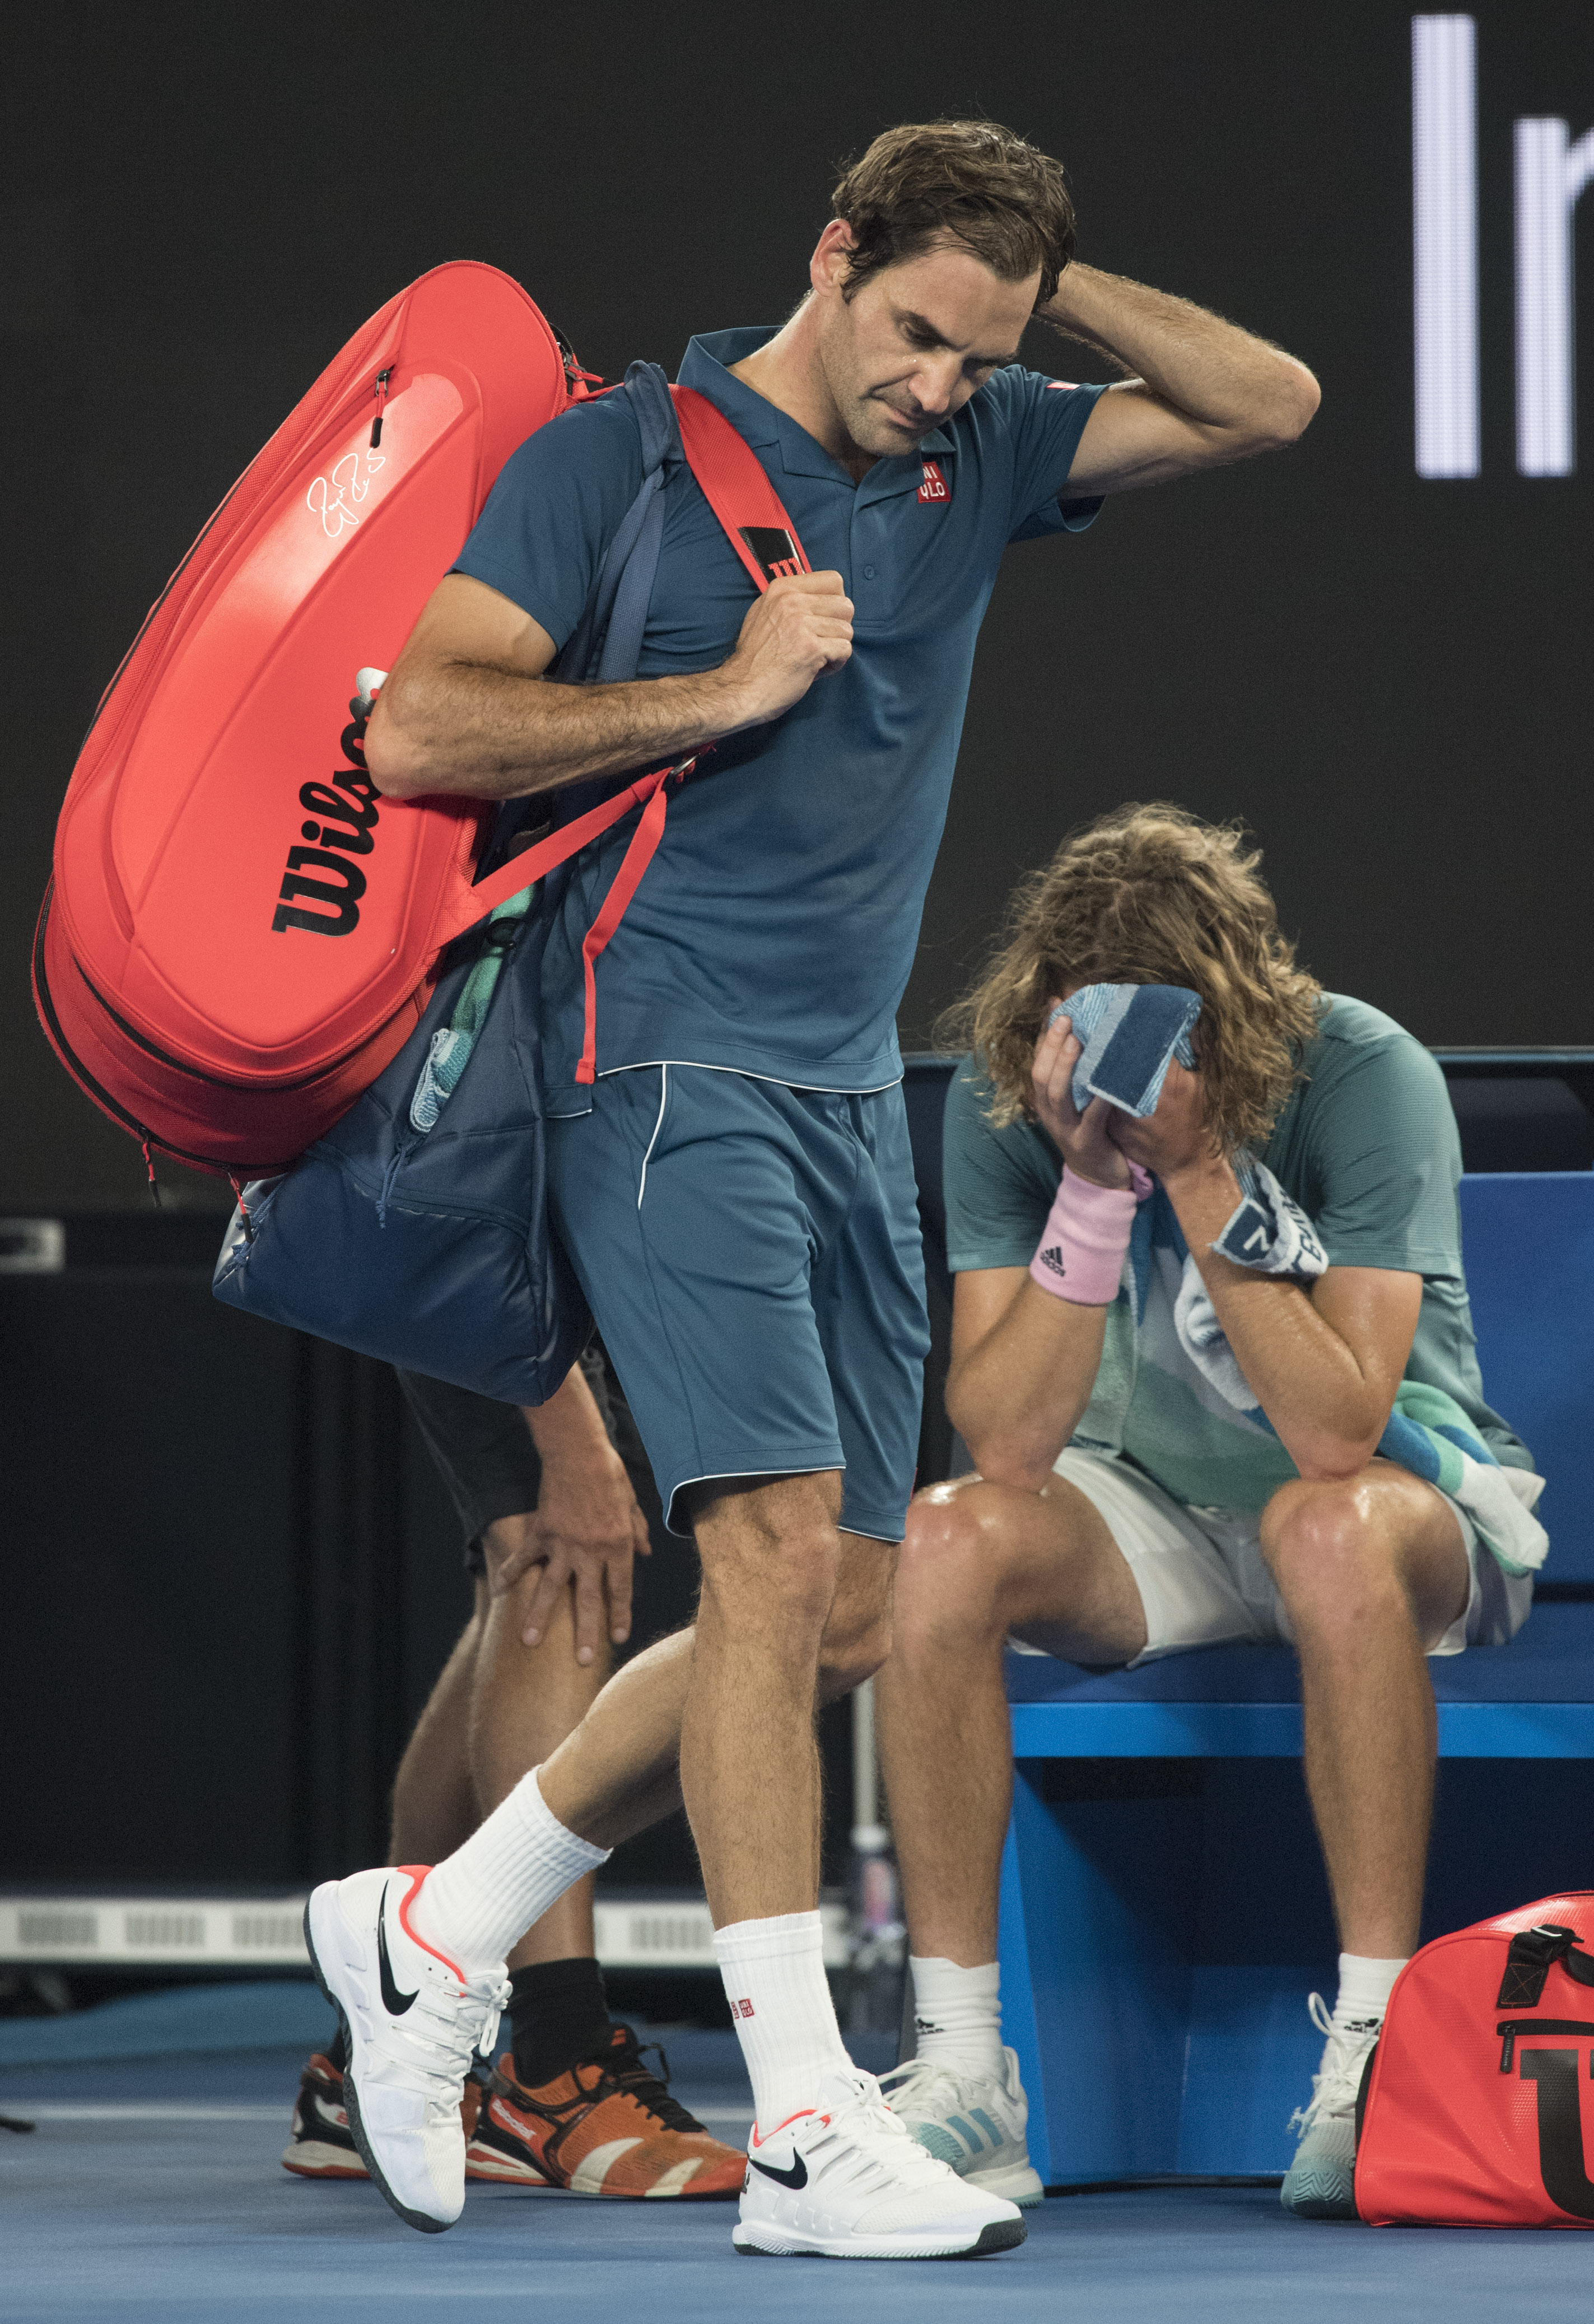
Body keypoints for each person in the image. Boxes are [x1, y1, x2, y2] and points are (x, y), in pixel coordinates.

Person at [309, 119, 1319, 2258]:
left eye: (985, 349)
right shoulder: (619, 460)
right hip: (652, 1062)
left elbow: (1271, 405)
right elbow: (417, 733)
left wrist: (1053, 290)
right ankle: (799, 2118)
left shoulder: (982, 446)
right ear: (830, 255)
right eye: (916, 333)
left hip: (852, 1090)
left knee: (843, 1610)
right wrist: (720, 688)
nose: (937, 386)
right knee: (766, 1556)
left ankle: (430, 1930)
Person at [873, 804, 1542, 2223]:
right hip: (1156, 1514)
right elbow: (1001, 1440)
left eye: (1161, 1033)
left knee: (1324, 1525)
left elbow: (1337, 1427)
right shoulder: (1020, 1106)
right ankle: (963, 2069)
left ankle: (1369, 2053)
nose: (1124, 1069)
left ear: (1234, 1012)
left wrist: (1195, 1171)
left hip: (1408, 1509)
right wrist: (1089, 1190)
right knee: (939, 1538)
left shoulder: (1363, 1071)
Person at [283, 1352, 745, 2200]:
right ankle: (555, 2063)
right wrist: (571, 1447)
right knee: (555, 1543)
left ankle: (365, 2059)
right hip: (484, 1250)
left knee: (534, 1567)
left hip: (554, 1262)